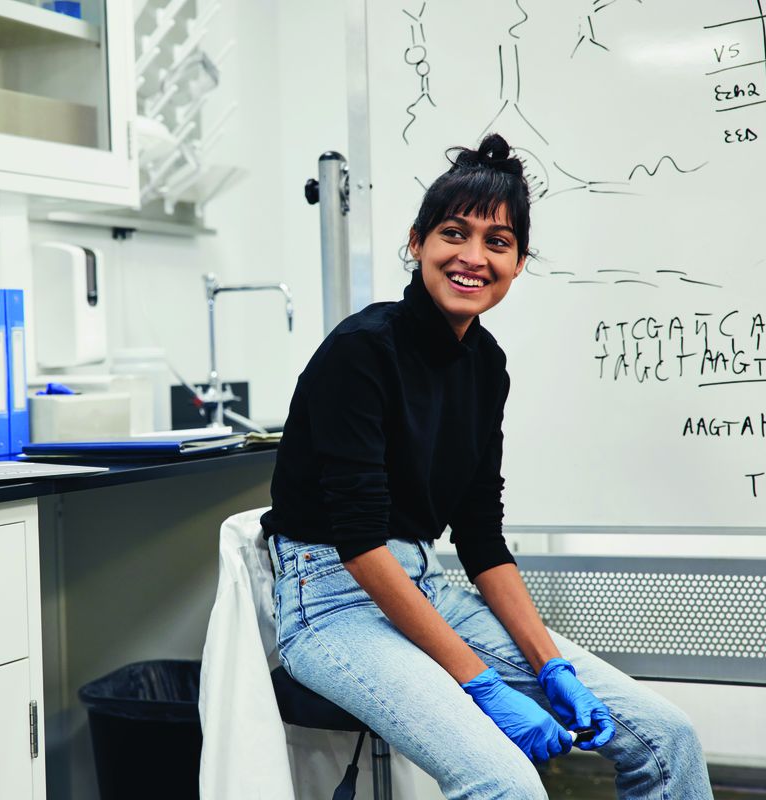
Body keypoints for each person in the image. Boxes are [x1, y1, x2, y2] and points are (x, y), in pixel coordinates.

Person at [260, 133, 713, 799]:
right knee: (507, 782)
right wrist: (482, 684)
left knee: (665, 739)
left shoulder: (485, 364)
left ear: (518, 261)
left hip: (424, 584)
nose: (473, 258)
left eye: (497, 242)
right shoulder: (360, 352)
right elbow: (359, 545)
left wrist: (549, 666)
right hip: (330, 604)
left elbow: (480, 538)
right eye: (454, 233)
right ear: (417, 243)